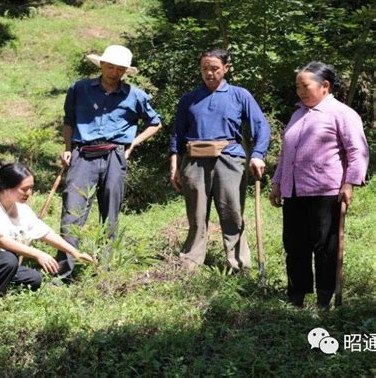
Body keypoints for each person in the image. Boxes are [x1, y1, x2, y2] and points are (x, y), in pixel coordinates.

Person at [56, 44, 161, 278]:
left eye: (120, 69)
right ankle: (63, 271)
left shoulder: (136, 95)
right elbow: (69, 120)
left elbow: (155, 122)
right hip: (82, 153)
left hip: (115, 154)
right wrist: (67, 148)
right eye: (110, 66)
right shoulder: (79, 89)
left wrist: (133, 144)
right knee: (72, 211)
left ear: (126, 71)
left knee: (110, 212)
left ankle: (104, 270)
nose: (114, 72)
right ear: (101, 65)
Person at [269, 62, 369, 308]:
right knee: (294, 246)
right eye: (297, 87)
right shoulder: (297, 114)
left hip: (326, 191)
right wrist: (277, 182)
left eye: (305, 86)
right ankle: (296, 298)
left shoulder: (342, 114)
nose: (300, 92)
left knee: (325, 246)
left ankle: (325, 299)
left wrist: (350, 183)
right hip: (294, 191)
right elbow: (286, 155)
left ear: (325, 86)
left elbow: (358, 152)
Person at [170, 49, 270, 272]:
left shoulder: (239, 95)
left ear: (226, 68)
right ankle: (190, 266)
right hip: (194, 161)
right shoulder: (189, 99)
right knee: (196, 215)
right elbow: (177, 134)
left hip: (229, 160)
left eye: (214, 68)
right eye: (205, 68)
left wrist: (257, 155)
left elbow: (261, 126)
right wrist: (175, 165)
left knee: (232, 213)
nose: (209, 73)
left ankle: (239, 265)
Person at [0, 161, 94, 299]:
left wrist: (75, 252)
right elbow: (1, 241)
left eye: (31, 188)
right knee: (8, 259)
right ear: (7, 186)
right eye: (24, 189)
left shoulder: (21, 209)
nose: (29, 193)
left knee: (34, 279)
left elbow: (46, 233)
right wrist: (38, 254)